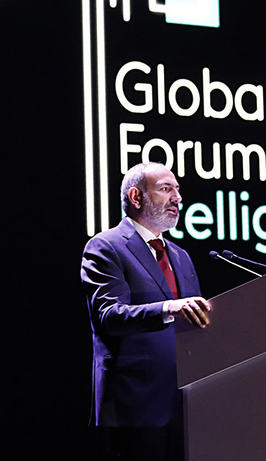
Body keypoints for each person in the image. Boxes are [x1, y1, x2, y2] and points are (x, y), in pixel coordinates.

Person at [82, 162, 212, 461]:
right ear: (136, 197)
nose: (177, 198)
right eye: (166, 189)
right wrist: (168, 308)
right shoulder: (106, 246)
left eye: (177, 189)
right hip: (133, 403)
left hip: (186, 404)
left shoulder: (180, 256)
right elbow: (108, 315)